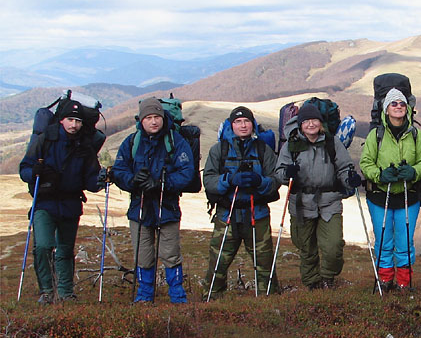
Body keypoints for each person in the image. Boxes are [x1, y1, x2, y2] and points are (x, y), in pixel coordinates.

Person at [19, 98, 104, 303]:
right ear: (61, 120)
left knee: (65, 249)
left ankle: (65, 293)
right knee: (43, 246)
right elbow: (24, 169)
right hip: (45, 203)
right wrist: (34, 172)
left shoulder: (85, 146)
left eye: (78, 121)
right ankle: (47, 291)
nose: (74, 125)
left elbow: (90, 178)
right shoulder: (45, 140)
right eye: (70, 120)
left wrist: (102, 180)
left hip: (71, 204)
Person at [112, 97, 193, 303]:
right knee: (143, 255)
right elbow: (119, 171)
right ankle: (144, 296)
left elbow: (187, 172)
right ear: (141, 120)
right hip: (139, 207)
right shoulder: (132, 142)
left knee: (171, 254)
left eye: (157, 116)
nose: (154, 121)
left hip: (167, 207)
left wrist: (162, 183)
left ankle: (177, 297)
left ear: (164, 118)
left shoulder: (176, 141)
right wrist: (133, 180)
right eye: (149, 117)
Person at [275, 103, 358, 289]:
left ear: (321, 122)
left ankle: (328, 278)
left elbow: (344, 167)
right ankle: (313, 284)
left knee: (334, 246)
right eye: (306, 121)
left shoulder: (332, 142)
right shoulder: (291, 145)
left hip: (329, 201)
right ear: (300, 124)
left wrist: (349, 179)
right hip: (301, 203)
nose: (311, 124)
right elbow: (279, 173)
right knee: (306, 247)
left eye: (314, 120)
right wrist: (287, 173)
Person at [202, 106, 281, 298]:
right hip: (226, 213)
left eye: (246, 121)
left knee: (264, 261)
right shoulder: (218, 150)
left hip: (257, 213)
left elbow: (276, 179)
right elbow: (209, 180)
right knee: (219, 261)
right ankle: (212, 300)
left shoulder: (263, 150)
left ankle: (269, 300)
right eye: (238, 122)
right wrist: (228, 180)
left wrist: (259, 181)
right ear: (231, 125)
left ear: (252, 125)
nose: (243, 125)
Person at [359, 87, 421, 290]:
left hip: (409, 196)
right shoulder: (376, 135)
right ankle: (385, 279)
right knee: (383, 240)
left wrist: (414, 172)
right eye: (393, 103)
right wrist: (379, 175)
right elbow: (366, 163)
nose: (398, 107)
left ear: (407, 108)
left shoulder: (416, 135)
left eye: (401, 103)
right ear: (386, 109)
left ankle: (404, 282)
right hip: (380, 196)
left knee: (405, 241)